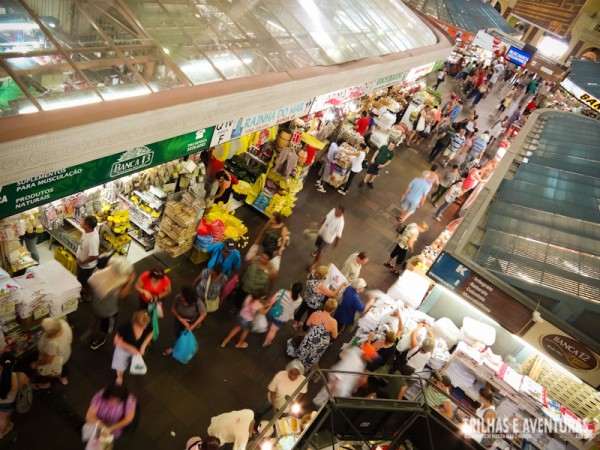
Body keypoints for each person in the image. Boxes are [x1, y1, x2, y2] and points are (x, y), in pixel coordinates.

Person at [88, 256, 136, 350]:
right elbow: (122, 295)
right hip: (109, 312)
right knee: (105, 328)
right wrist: (130, 281)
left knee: (97, 315)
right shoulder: (115, 286)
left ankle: (91, 328)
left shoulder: (98, 275)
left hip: (96, 305)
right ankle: (99, 339)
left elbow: (91, 285)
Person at [292, 266, 346, 330]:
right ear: (322, 276)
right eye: (325, 276)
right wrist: (342, 285)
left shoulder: (312, 273)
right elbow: (332, 294)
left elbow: (318, 271)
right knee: (309, 317)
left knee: (301, 311)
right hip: (313, 304)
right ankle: (305, 328)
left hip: (307, 297)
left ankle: (296, 324)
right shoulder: (319, 286)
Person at [295, 298, 339, 371]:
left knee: (303, 351)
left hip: (310, 339)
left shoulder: (316, 314)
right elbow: (334, 336)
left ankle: (297, 365)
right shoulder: (334, 322)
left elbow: (307, 323)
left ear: (325, 305)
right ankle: (304, 369)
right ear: (333, 310)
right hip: (320, 344)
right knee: (312, 357)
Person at [112, 311, 153, 385]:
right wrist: (130, 348)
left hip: (138, 349)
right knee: (120, 365)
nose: (145, 328)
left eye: (146, 326)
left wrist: (143, 345)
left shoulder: (147, 324)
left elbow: (151, 333)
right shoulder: (125, 327)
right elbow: (116, 341)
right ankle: (119, 377)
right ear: (135, 323)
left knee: (136, 362)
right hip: (124, 348)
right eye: (142, 326)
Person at [163, 287, 207, 356]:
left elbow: (203, 314)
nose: (182, 299)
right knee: (176, 334)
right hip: (178, 320)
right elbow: (173, 308)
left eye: (185, 300)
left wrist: (193, 326)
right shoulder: (178, 297)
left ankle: (181, 349)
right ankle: (173, 348)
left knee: (185, 336)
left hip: (191, 322)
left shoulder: (198, 302)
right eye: (182, 297)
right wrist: (180, 318)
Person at [31, 318, 72, 389]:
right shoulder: (64, 325)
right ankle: (63, 377)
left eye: (44, 330)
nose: (43, 331)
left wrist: (36, 363)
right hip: (65, 354)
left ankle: (45, 383)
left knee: (47, 371)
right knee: (63, 365)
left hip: (53, 361)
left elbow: (47, 359)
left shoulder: (52, 343)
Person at [263, 282, 303, 347]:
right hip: (283, 318)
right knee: (273, 331)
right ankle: (267, 342)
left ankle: (266, 327)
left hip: (273, 312)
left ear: (291, 286)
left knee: (268, 321)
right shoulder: (299, 300)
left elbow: (271, 301)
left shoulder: (282, 292)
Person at [0, 352, 29, 439]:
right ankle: (1, 433)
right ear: (14, 364)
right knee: (4, 418)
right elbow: (26, 386)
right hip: (7, 404)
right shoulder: (20, 377)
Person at [76, 215, 100, 301]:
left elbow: (94, 256)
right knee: (81, 280)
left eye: (83, 221)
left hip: (86, 267)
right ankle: (82, 289)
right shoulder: (89, 231)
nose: (81, 221)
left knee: (86, 282)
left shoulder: (92, 240)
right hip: (82, 264)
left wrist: (83, 262)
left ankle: (87, 296)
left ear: (87, 226)